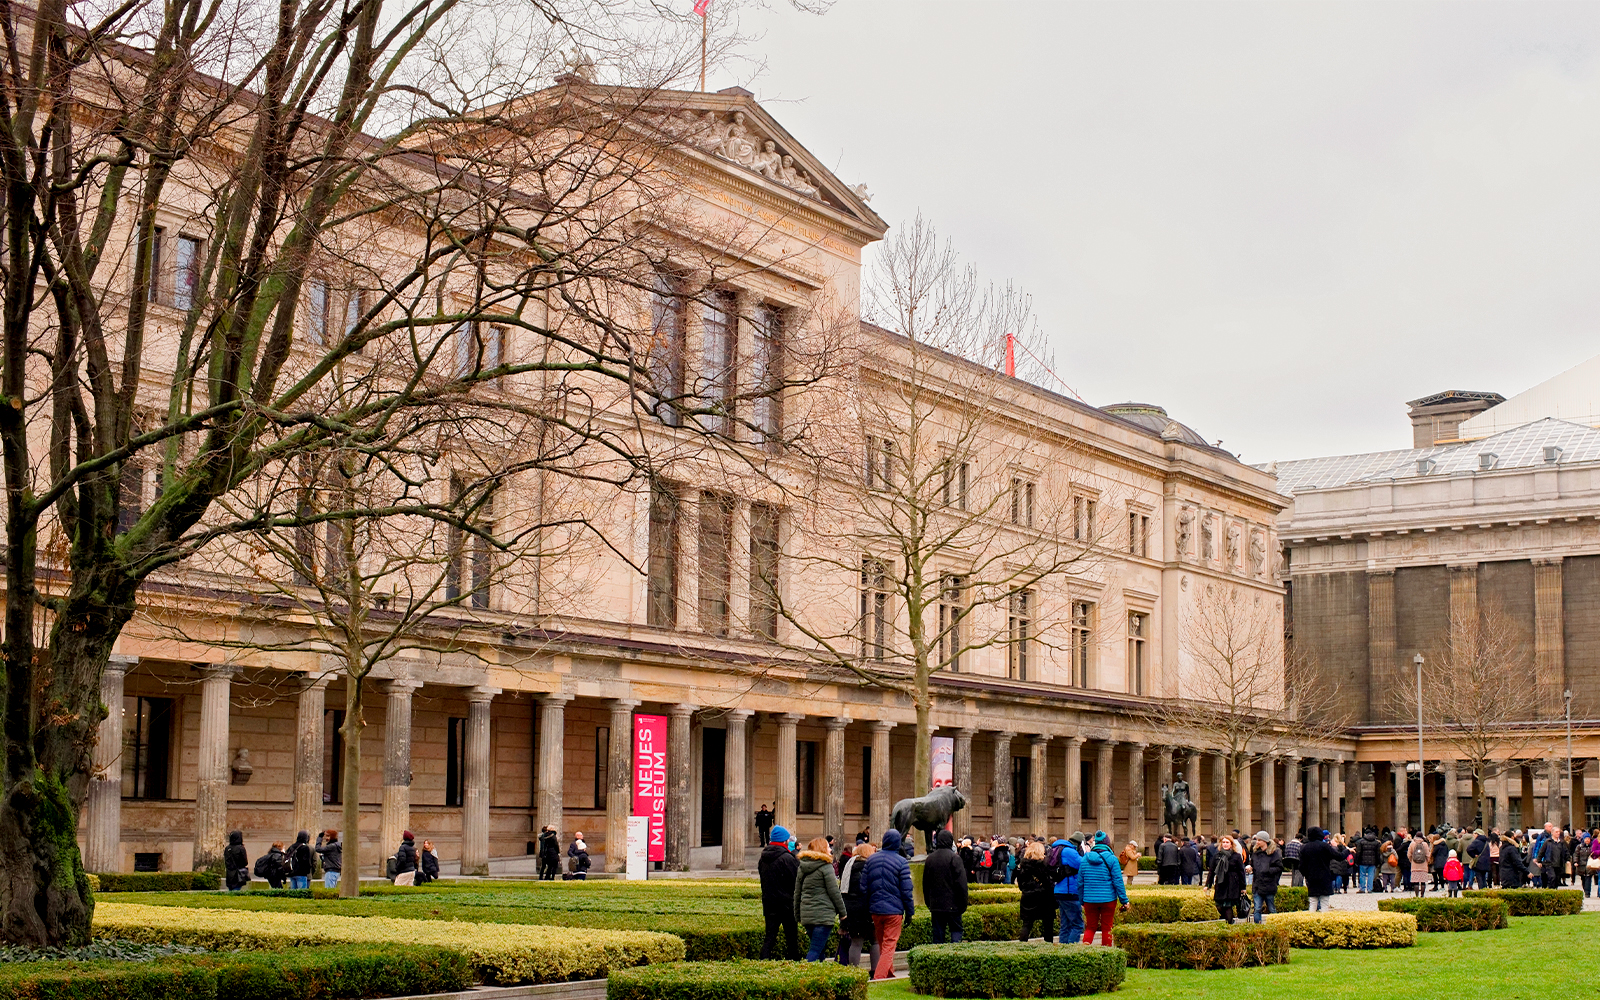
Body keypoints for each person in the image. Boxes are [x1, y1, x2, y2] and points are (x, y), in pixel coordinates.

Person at [862, 829, 915, 980]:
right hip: (894, 910)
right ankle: (879, 978)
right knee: (889, 946)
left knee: (882, 944)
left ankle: (889, 974)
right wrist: (910, 912)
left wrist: (868, 906)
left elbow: (863, 887)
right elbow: (906, 890)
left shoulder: (871, 860)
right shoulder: (901, 862)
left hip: (876, 910)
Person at [794, 837, 847, 962]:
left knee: (819, 951)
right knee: (815, 951)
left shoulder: (802, 867)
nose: (830, 849)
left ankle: (819, 977)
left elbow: (797, 893)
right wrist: (843, 913)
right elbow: (834, 892)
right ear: (822, 849)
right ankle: (803, 975)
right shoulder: (826, 866)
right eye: (828, 847)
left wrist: (798, 915)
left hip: (807, 915)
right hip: (823, 916)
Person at [1078, 831, 1128, 947]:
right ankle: (1106, 954)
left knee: (1090, 927)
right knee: (1107, 928)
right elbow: (1118, 882)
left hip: (1089, 899)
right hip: (1108, 899)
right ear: (1107, 844)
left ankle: (1085, 953)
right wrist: (1124, 900)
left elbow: (1080, 882)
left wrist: (1082, 900)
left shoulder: (1085, 858)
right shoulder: (1112, 859)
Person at [758, 825, 801, 960]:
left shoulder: (762, 859)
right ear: (784, 841)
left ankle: (763, 961)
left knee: (769, 937)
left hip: (769, 902)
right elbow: (796, 881)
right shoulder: (788, 859)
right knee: (791, 939)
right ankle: (793, 962)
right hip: (787, 904)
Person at [922, 830, 969, 944]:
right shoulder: (955, 858)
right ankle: (954, 956)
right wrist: (963, 904)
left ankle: (938, 958)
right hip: (953, 905)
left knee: (938, 935)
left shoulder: (930, 859)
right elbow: (961, 883)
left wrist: (929, 903)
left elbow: (925, 884)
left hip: (936, 905)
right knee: (956, 931)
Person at [838, 842, 878, 969]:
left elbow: (843, 891)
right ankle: (875, 972)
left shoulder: (849, 868)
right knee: (875, 941)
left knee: (856, 943)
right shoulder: (873, 868)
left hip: (852, 910)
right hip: (869, 908)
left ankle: (853, 972)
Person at [1015, 840, 1055, 941]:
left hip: (1028, 897)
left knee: (1027, 924)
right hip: (1044, 896)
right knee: (1048, 924)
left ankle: (1022, 945)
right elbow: (1049, 882)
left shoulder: (1022, 865)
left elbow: (1020, 884)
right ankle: (1048, 947)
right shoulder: (1045, 865)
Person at [1049, 833, 1085, 944]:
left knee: (1065, 925)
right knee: (1078, 925)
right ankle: (1070, 949)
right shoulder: (1069, 851)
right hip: (1070, 892)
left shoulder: (1058, 848)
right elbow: (1083, 864)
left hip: (1060, 890)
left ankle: (1062, 949)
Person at [1206, 835, 1246, 923]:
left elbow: (1241, 872)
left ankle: (1229, 922)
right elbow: (1212, 871)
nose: (1225, 844)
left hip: (1232, 884)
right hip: (1220, 883)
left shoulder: (1236, 856)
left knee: (1228, 905)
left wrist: (1243, 887)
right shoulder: (1217, 856)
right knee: (1219, 905)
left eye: (1227, 842)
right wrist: (1208, 884)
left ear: (1231, 844)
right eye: (1223, 842)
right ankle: (1228, 921)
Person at [1297, 827, 1337, 912]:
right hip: (1325, 876)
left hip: (1311, 877)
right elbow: (1338, 856)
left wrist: (1307, 875)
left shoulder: (1304, 847)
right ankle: (1324, 922)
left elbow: (1301, 866)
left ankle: (1311, 922)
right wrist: (1347, 851)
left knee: (1312, 902)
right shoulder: (1325, 846)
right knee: (1324, 902)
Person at [1248, 831, 1283, 923]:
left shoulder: (1274, 853)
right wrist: (1250, 868)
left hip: (1269, 885)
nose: (1257, 842)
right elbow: (1252, 864)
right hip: (1257, 885)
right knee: (1257, 909)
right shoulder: (1255, 853)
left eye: (1259, 840)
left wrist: (1268, 870)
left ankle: (1275, 925)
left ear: (1265, 841)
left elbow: (1279, 867)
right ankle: (1257, 927)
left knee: (1271, 908)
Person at [1354, 829, 1379, 893]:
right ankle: (1369, 889)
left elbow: (1358, 852)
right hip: (1373, 861)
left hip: (1362, 861)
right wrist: (1378, 861)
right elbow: (1377, 853)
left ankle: (1362, 888)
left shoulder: (1361, 842)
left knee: (1362, 875)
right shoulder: (1376, 842)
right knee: (1371, 875)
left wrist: (1356, 861)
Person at [1407, 832, 1431, 897]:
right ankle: (1422, 895)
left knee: (1416, 882)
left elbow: (1409, 854)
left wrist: (1412, 861)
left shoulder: (1412, 844)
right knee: (1423, 882)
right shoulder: (1425, 844)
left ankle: (1416, 895)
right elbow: (1428, 855)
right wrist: (1427, 862)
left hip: (1414, 866)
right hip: (1423, 866)